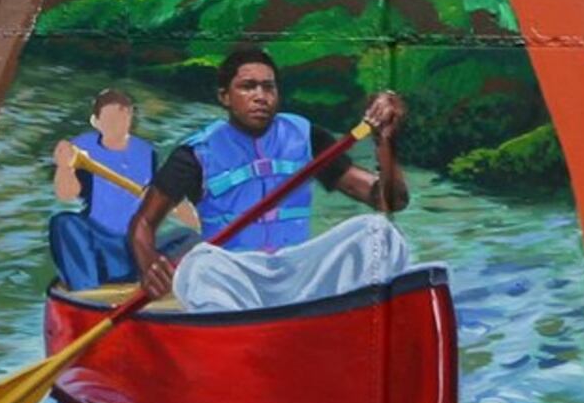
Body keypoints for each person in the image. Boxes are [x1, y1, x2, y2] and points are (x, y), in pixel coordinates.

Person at [128, 48, 411, 314]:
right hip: (235, 276)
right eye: (248, 86)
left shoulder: (305, 136)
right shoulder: (195, 154)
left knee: (378, 232)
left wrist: (385, 141)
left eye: (268, 87)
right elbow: (143, 224)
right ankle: (237, 335)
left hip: (297, 269)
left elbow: (389, 201)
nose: (260, 96)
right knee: (200, 265)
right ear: (224, 97)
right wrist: (148, 261)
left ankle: (347, 319)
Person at [48, 87, 182, 290]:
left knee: (189, 237)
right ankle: (87, 292)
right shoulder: (81, 148)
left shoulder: (146, 151)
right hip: (99, 245)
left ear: (130, 117)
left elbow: (157, 198)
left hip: (137, 248)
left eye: (124, 116)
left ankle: (165, 287)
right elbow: (66, 194)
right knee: (63, 223)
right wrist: (64, 167)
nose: (118, 124)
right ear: (96, 122)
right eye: (111, 119)